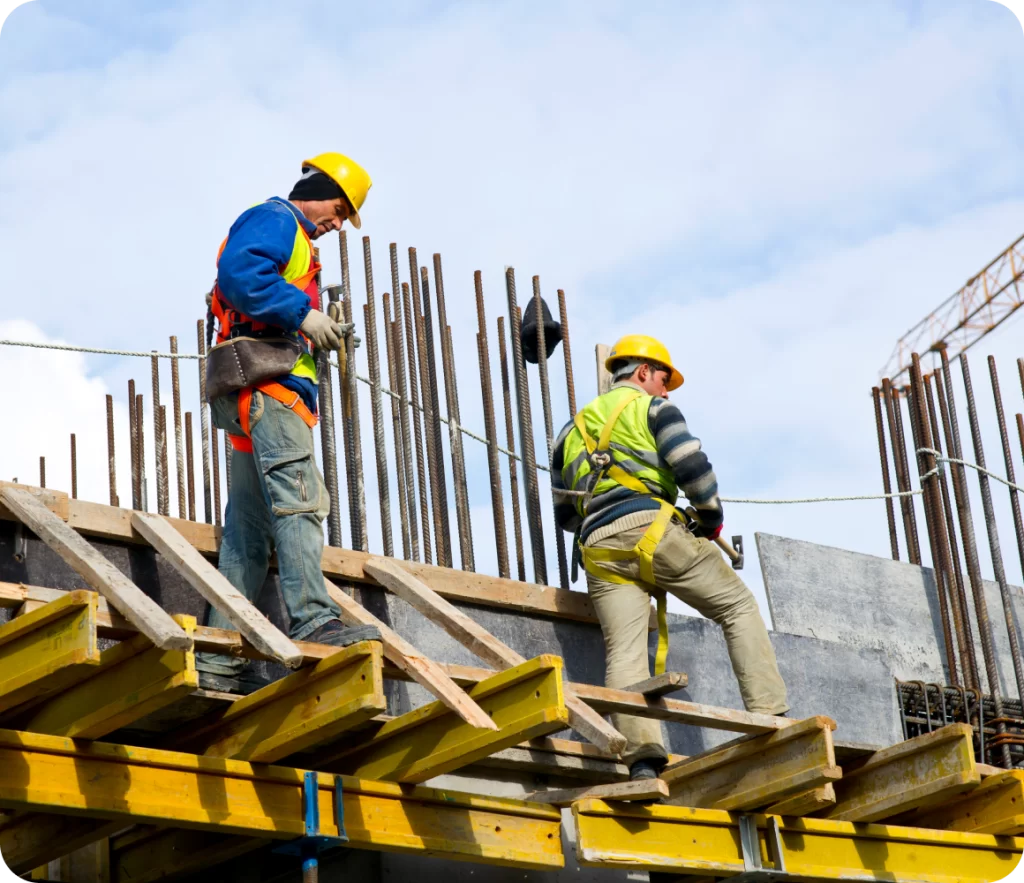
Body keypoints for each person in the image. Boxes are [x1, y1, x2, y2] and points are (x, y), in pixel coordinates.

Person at [551, 334, 788, 779]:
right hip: (654, 530)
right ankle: (772, 718)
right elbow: (692, 467)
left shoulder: (569, 431)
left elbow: (565, 513)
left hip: (598, 548)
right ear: (642, 372)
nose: (666, 389)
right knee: (737, 606)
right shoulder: (653, 408)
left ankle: (641, 759)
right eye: (663, 379)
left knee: (624, 652)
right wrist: (710, 518)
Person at [197, 153, 380, 694]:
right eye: (340, 208)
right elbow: (240, 275)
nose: (339, 222)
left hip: (253, 395)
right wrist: (303, 315)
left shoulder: (297, 240)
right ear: (317, 189)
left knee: (248, 533)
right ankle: (314, 618)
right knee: (301, 502)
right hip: (270, 392)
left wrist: (310, 323)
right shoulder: (278, 219)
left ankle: (220, 656)